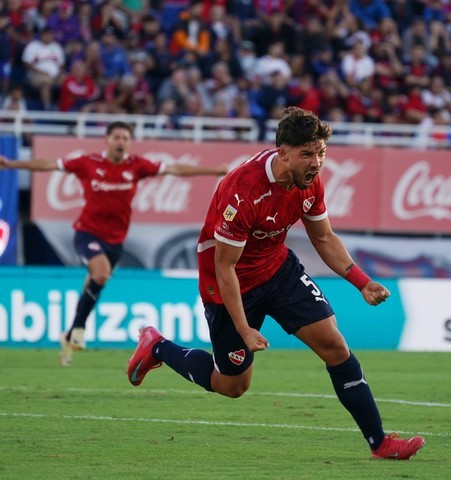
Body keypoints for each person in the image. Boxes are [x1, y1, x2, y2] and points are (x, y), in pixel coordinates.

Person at [126, 107, 426, 460]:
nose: (317, 163)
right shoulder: (243, 192)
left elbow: (324, 237)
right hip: (229, 285)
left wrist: (361, 281)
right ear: (283, 154)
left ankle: (379, 442)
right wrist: (244, 329)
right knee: (233, 385)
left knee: (335, 347)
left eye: (321, 153)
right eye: (307, 154)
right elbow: (226, 269)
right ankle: (157, 346)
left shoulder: (309, 181)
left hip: (277, 270)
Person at [0, 121, 227, 366]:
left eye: (125, 138)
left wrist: (213, 171)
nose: (121, 142)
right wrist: (13, 164)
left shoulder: (137, 166)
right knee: (100, 274)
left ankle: (71, 333)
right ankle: (77, 329)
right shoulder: (89, 163)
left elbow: (174, 169)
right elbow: (49, 164)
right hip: (87, 233)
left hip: (115, 241)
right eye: (117, 137)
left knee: (95, 282)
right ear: (107, 140)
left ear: (129, 142)